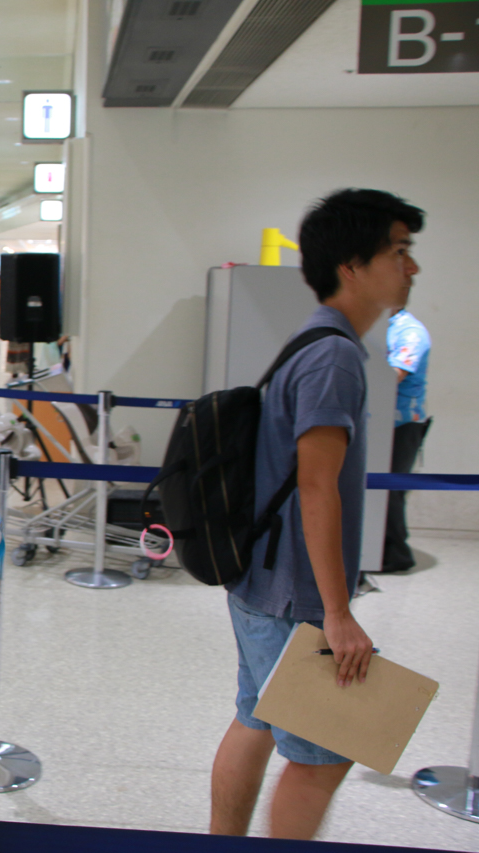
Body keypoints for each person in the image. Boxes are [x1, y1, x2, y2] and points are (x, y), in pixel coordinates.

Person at [210, 189, 423, 841]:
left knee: (254, 718)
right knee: (321, 757)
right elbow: (316, 488)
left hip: (259, 577)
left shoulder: (311, 340)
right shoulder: (334, 356)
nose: (411, 267)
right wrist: (336, 612)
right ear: (352, 266)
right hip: (293, 593)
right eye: (399, 251)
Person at [382, 307, 431, 572]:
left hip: (402, 424)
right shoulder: (380, 327)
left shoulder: (409, 332)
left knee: (389, 490)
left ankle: (396, 555)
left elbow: (394, 375)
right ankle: (376, 553)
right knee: (378, 490)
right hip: (377, 423)